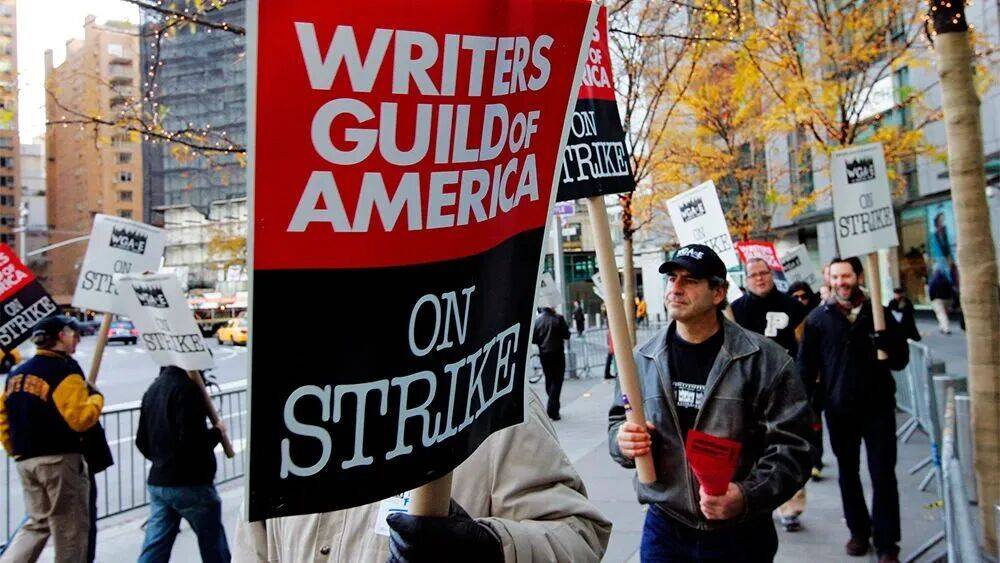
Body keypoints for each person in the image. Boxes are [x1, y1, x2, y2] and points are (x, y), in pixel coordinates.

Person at [234, 388, 612, 562]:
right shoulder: (290, 407)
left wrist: (490, 548)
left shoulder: (494, 402)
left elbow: (580, 537)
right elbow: (254, 546)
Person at [609, 244, 812, 562]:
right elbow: (617, 423)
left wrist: (745, 496)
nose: (676, 288)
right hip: (665, 527)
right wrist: (622, 441)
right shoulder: (640, 360)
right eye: (672, 278)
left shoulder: (766, 360)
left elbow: (795, 448)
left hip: (741, 532)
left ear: (718, 293)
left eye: (689, 280)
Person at [798, 257, 909, 562]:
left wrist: (889, 342)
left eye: (846, 276)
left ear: (858, 276)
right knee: (848, 473)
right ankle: (859, 531)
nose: (841, 282)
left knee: (883, 474)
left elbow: (901, 359)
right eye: (835, 277)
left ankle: (887, 543)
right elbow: (806, 367)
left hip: (878, 408)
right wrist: (806, 404)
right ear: (829, 280)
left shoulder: (879, 313)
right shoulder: (818, 319)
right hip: (839, 410)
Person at [0, 316, 104, 563]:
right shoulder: (63, 371)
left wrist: (14, 449)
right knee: (70, 528)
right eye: (73, 334)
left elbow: (3, 418)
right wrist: (97, 398)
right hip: (59, 460)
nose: (77, 339)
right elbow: (80, 419)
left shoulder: (16, 374)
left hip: (25, 459)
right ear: (61, 336)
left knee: (37, 523)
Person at [730, 257, 811, 532]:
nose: (760, 278)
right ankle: (756, 499)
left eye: (763, 273)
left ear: (771, 274)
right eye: (753, 275)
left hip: (786, 386)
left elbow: (804, 344)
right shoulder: (736, 310)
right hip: (749, 389)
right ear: (746, 279)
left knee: (788, 444)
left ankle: (791, 505)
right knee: (753, 447)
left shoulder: (793, 306)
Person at [135, 366, 231, 562]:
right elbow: (193, 443)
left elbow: (141, 441)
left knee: (155, 546)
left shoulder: (153, 389)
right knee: (213, 546)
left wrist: (162, 460)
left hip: (159, 480)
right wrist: (217, 433)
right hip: (191, 483)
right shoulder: (188, 390)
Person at [786, 280, 826, 481]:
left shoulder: (816, 319)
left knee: (814, 421)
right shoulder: (786, 319)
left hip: (814, 380)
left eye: (804, 297)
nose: (800, 301)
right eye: (796, 298)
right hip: (793, 379)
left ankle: (816, 461)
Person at [532, 306, 570, 420]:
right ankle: (552, 410)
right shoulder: (558, 318)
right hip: (557, 354)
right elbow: (567, 335)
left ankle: (554, 406)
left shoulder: (538, 321)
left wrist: (541, 342)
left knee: (549, 380)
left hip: (544, 355)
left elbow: (533, 339)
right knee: (557, 381)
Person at [927, 268, 953, 334]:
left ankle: (946, 328)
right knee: (944, 314)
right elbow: (950, 290)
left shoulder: (933, 281)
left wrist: (932, 299)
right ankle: (942, 327)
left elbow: (931, 291)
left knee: (941, 314)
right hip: (947, 299)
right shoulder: (946, 281)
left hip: (937, 300)